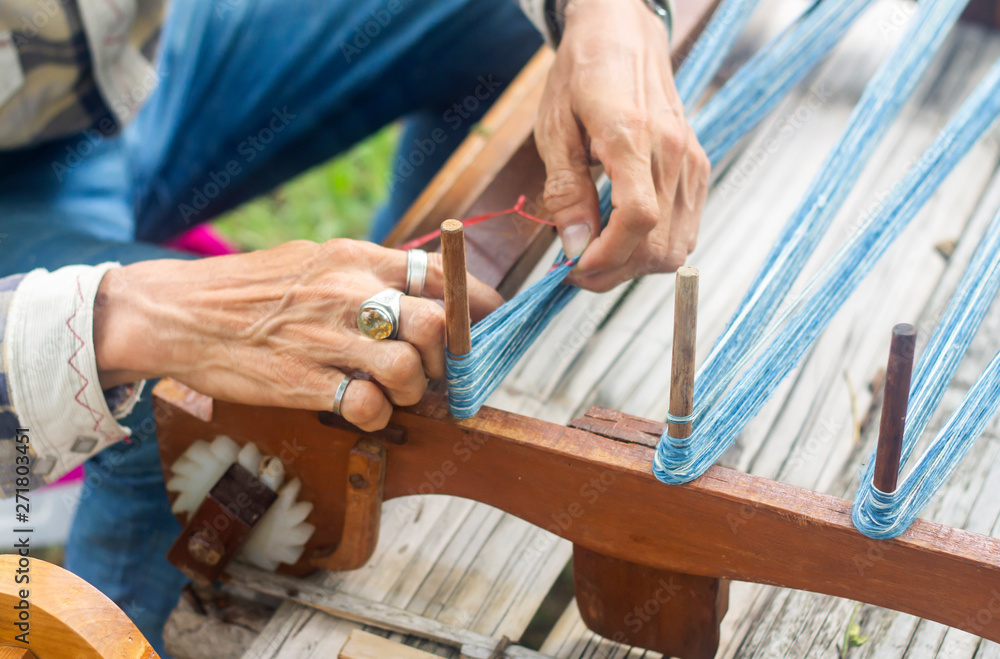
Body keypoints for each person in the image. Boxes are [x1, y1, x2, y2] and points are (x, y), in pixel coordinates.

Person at [0, 0, 709, 652]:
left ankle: (384, 333)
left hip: (89, 112)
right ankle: (108, 627)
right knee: (174, 382)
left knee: (507, 17)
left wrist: (607, 18)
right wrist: (131, 316)